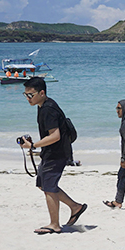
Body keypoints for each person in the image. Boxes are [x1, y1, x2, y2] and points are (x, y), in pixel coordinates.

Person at [20, 77, 87, 234]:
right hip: (52, 152)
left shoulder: (48, 109)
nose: (28, 98)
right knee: (43, 184)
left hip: (57, 154)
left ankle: (54, 224)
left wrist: (33, 145)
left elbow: (55, 136)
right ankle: (75, 207)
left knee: (49, 187)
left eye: (30, 95)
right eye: (25, 95)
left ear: (42, 93)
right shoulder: (43, 105)